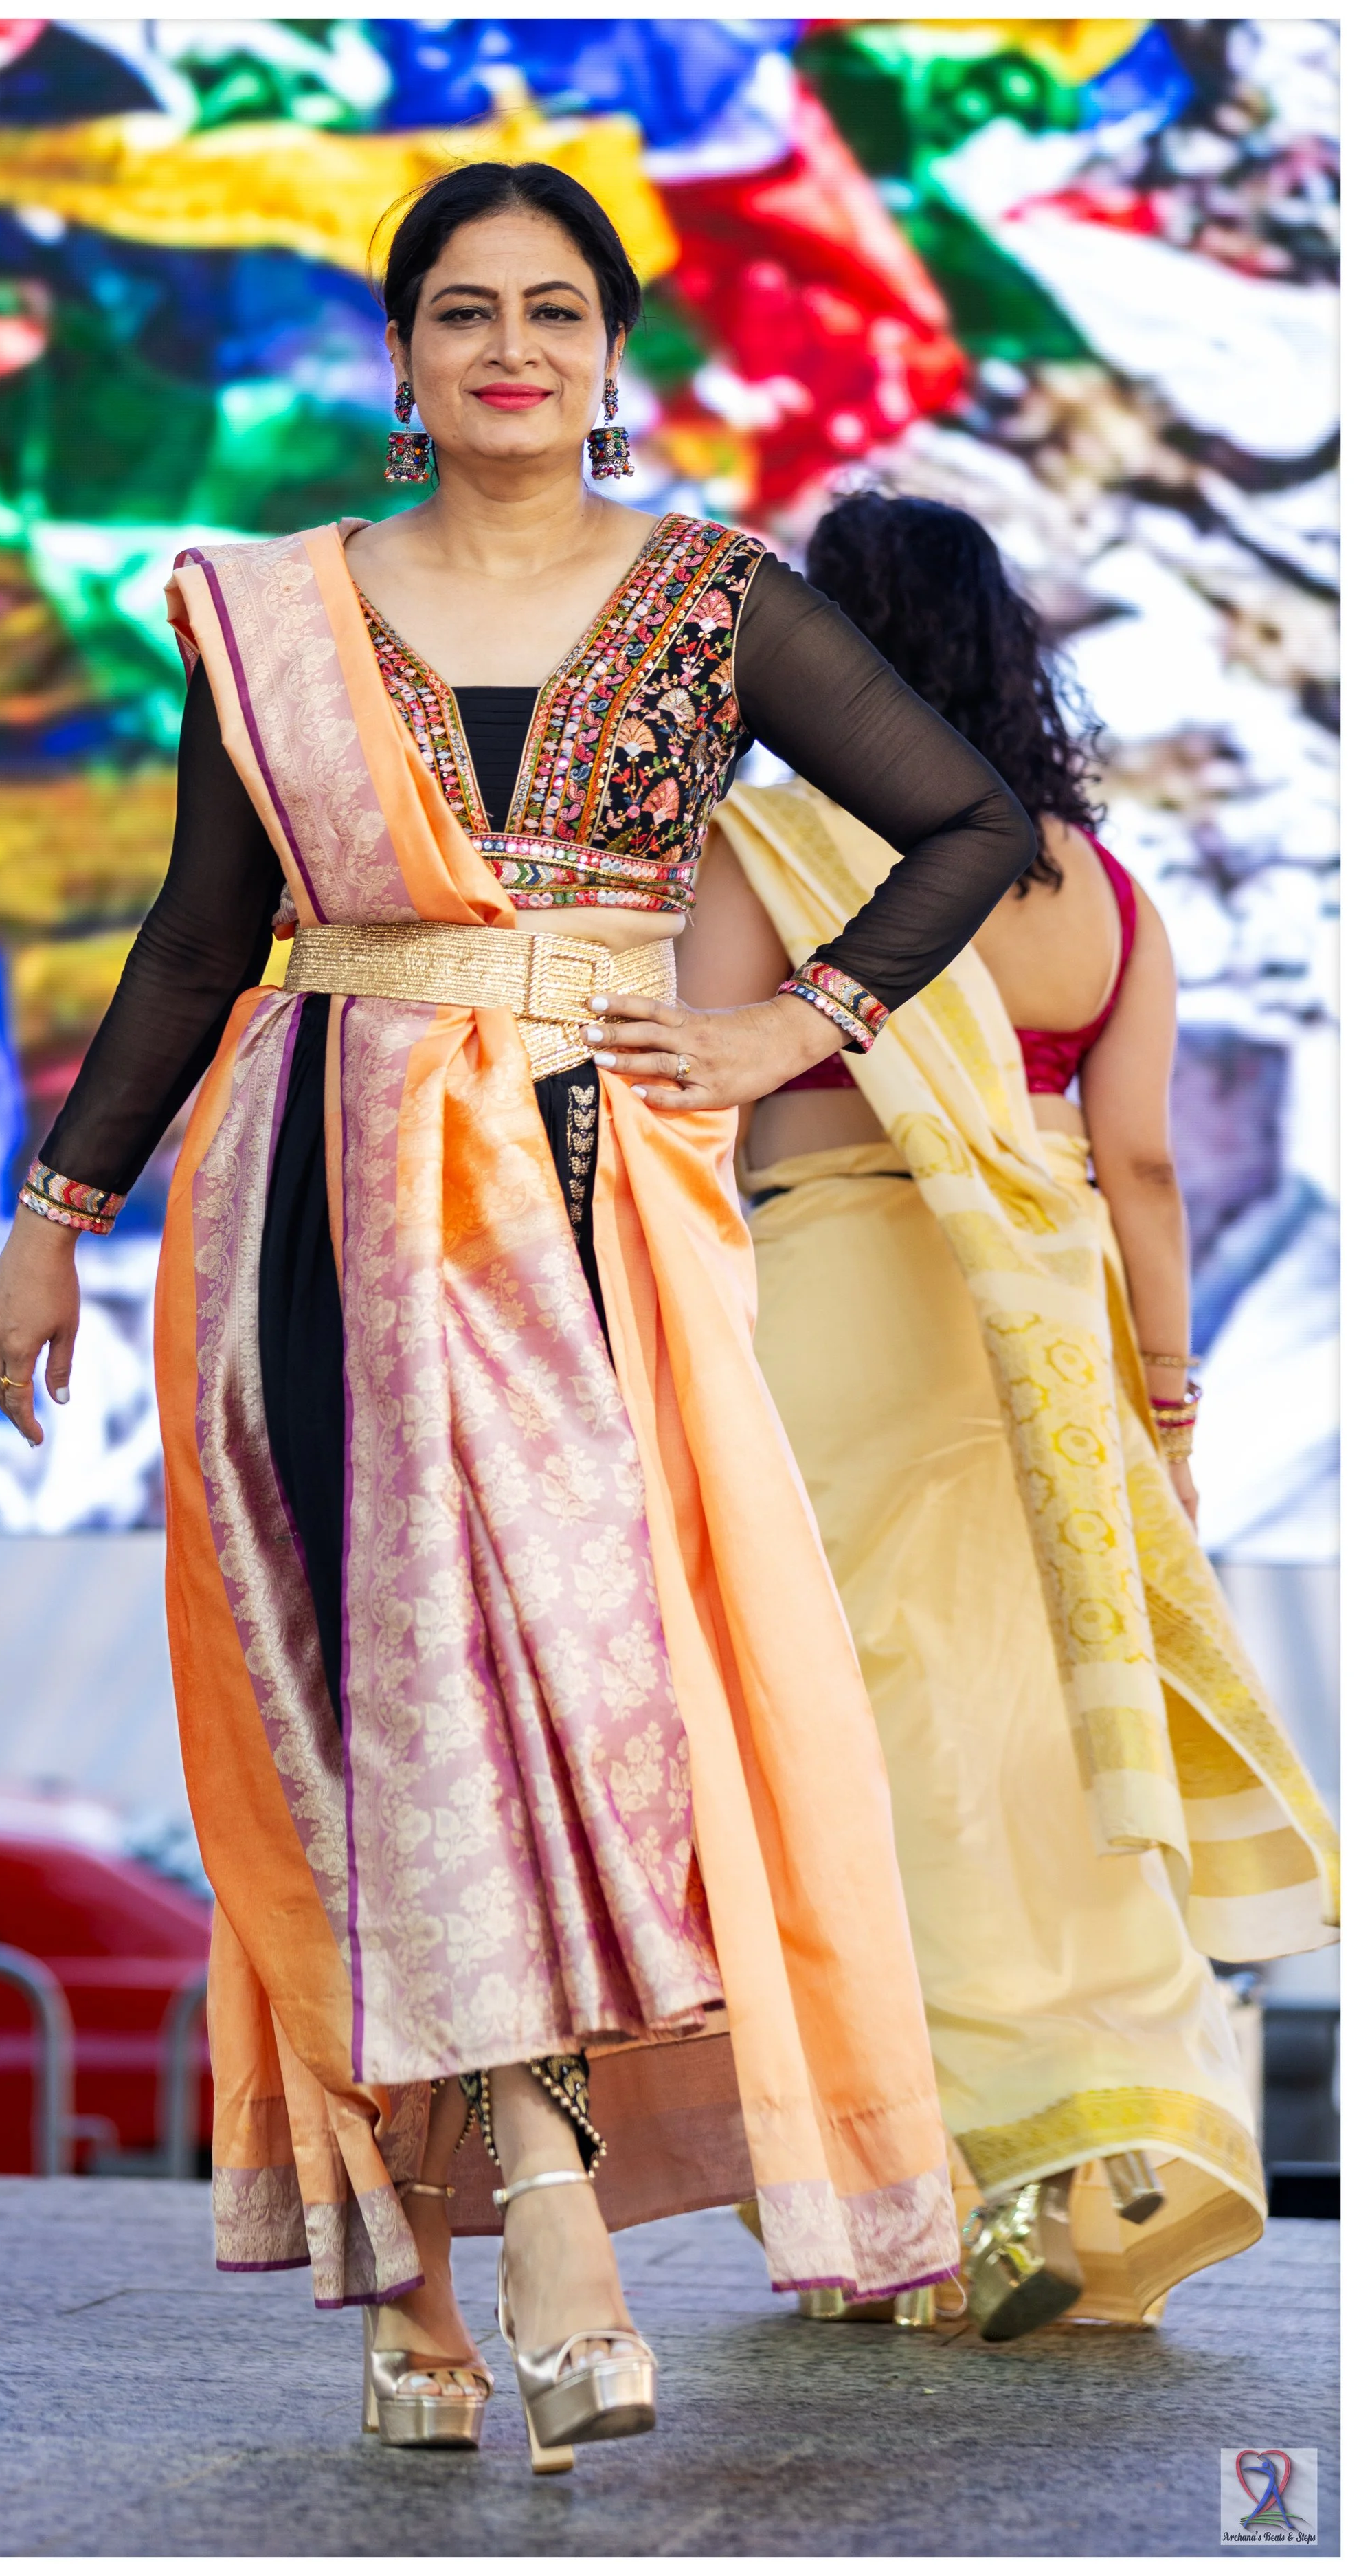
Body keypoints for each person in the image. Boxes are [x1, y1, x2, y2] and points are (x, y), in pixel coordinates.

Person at [0, 168, 1040, 2468]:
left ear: (607, 352)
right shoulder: (274, 614)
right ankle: (437, 2262)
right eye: (462, 312)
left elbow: (966, 823)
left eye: (552, 312)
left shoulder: (711, 607)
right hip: (309, 1199)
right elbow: (193, 936)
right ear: (401, 357)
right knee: (361, 1714)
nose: (507, 350)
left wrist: (798, 1027)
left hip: (590, 1214)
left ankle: (538, 2203)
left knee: (570, 1702)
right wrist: (53, 1209)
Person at [682, 493, 1338, 2340]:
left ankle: (922, 2171)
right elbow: (1136, 1164)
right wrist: (1163, 1399)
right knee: (1038, 1750)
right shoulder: (1099, 894)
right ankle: (1108, 2131)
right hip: (1043, 1350)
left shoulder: (785, 841)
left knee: (855, 1742)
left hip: (828, 1312)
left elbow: (692, 1101)